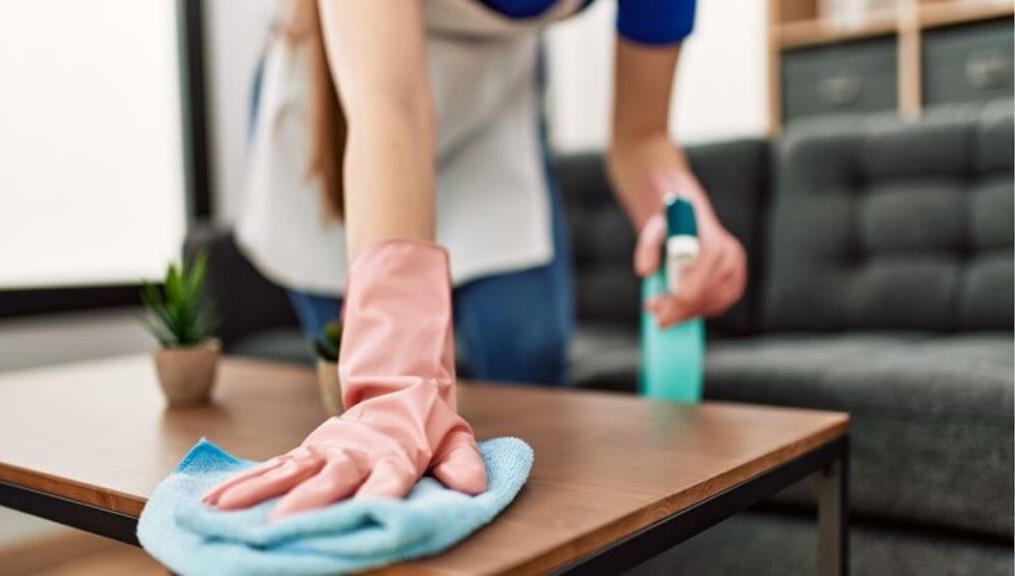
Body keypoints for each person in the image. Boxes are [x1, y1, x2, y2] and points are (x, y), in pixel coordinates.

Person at [206, 0, 746, 519]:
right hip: (349, 103)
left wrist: (683, 212)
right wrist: (393, 380)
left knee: (527, 351)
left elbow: (642, 135)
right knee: (357, 380)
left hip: (491, 101)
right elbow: (389, 104)